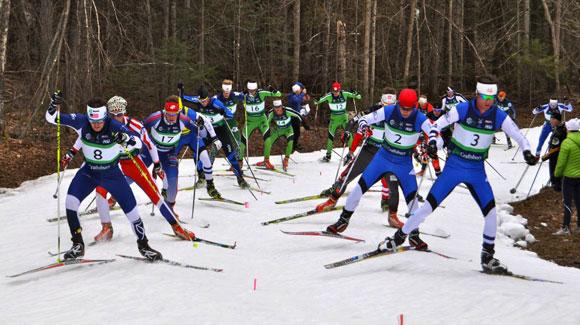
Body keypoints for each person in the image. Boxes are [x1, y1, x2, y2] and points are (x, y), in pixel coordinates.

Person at [379, 76, 538, 274]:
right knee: (428, 207)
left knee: (490, 212)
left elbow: (519, 136)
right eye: (485, 97)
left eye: (492, 97)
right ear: (477, 94)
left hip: (477, 172)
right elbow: (437, 125)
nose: (488, 102)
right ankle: (398, 238)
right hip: (454, 168)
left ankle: (487, 256)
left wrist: (527, 152)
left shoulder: (497, 115)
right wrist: (433, 142)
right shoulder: (462, 109)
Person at [61, 96, 196, 242]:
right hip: (111, 163)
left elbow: (149, 144)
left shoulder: (135, 125)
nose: (116, 118)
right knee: (100, 191)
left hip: (132, 161)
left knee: (153, 193)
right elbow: (84, 137)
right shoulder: (101, 124)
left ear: (124, 113)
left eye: (119, 114)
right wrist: (71, 152)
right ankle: (106, 227)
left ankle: (176, 226)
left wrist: (156, 164)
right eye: (113, 115)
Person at [45, 92, 162, 261]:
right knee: (70, 202)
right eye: (93, 121)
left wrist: (126, 138)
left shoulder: (114, 125)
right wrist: (52, 105)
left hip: (112, 175)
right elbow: (52, 118)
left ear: (105, 116)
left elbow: (138, 143)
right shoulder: (81, 121)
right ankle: (77, 244)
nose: (97, 125)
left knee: (132, 212)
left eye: (100, 121)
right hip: (89, 173)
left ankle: (144, 246)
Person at [325, 89, 431, 234]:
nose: (405, 112)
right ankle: (339, 212)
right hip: (375, 153)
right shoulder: (384, 110)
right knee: (355, 182)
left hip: (400, 161)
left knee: (398, 191)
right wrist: (360, 132)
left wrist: (429, 147)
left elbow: (432, 134)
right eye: (402, 108)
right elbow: (358, 120)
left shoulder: (419, 117)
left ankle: (402, 224)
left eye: (409, 109)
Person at [316, 91, 404, 227]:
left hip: (387, 152)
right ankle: (332, 200)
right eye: (384, 105)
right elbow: (353, 121)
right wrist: (347, 131)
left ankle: (392, 215)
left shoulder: (401, 115)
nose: (387, 109)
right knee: (347, 175)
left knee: (393, 182)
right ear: (380, 103)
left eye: (390, 106)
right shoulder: (373, 111)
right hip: (369, 149)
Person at [144, 95, 222, 207]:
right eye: (172, 112)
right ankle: (166, 188)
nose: (175, 115)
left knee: (205, 158)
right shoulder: (160, 117)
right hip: (178, 138)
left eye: (178, 111)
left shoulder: (189, 113)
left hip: (192, 137)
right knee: (168, 165)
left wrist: (213, 137)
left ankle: (210, 185)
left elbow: (204, 125)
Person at [181, 85, 249, 188]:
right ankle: (201, 177)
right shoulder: (197, 101)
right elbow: (183, 98)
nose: (203, 103)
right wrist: (181, 91)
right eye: (201, 101)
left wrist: (223, 112)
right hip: (207, 131)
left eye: (204, 100)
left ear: (208, 98)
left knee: (230, 154)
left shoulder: (216, 103)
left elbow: (230, 114)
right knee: (197, 152)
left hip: (220, 130)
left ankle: (240, 179)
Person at [314, 82, 362, 162]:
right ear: (332, 90)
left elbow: (359, 97)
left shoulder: (344, 94)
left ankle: (351, 154)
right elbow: (316, 102)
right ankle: (328, 155)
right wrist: (317, 99)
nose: (335, 93)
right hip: (334, 120)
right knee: (330, 137)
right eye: (334, 91)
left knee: (349, 135)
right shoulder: (329, 96)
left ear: (340, 90)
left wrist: (355, 93)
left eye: (337, 91)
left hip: (343, 118)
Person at [239, 81, 282, 161]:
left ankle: (266, 160)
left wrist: (273, 90)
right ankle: (239, 161)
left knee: (267, 139)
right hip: (250, 122)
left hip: (262, 120)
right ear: (247, 89)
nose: (252, 93)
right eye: (250, 91)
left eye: (254, 90)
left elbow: (279, 94)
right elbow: (232, 97)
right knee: (242, 141)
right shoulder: (243, 95)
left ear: (256, 89)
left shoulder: (261, 93)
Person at [553, 118, 580, 235]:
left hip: (569, 177)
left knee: (567, 202)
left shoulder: (566, 143)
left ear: (569, 129)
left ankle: (566, 227)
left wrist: (556, 175)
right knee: (579, 201)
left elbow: (561, 162)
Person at [257, 100, 301, 171]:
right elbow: (266, 122)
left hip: (288, 130)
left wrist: (302, 123)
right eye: (276, 107)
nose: (278, 109)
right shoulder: (271, 113)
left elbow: (298, 115)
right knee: (268, 143)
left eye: (279, 107)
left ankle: (286, 160)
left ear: (281, 106)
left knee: (290, 143)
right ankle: (266, 161)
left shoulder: (287, 111)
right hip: (278, 130)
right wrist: (265, 130)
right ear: (273, 107)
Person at [215, 79, 245, 165]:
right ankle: (208, 165)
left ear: (230, 90)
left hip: (231, 121)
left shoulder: (235, 95)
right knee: (216, 143)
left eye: (227, 92)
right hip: (220, 122)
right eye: (224, 92)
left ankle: (238, 162)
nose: (226, 94)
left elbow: (247, 95)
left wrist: (246, 96)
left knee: (237, 140)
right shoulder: (217, 98)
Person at [541, 111, 567, 192]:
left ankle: (557, 189)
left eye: (552, 119)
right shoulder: (561, 128)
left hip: (556, 158)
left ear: (557, 120)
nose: (550, 121)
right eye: (550, 119)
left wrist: (545, 156)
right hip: (560, 157)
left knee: (555, 176)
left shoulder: (558, 132)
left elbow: (555, 149)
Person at [287, 81, 311, 152]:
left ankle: (294, 145)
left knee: (296, 132)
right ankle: (292, 148)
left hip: (296, 115)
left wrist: (301, 107)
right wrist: (303, 93)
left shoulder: (295, 95)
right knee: (295, 132)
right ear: (297, 90)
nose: (300, 91)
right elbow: (296, 101)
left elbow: (297, 104)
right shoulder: (293, 97)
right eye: (300, 90)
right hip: (293, 117)